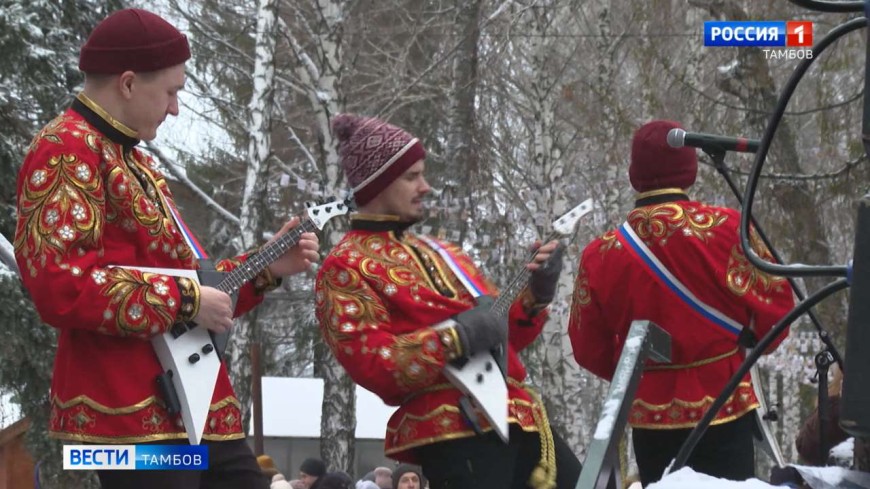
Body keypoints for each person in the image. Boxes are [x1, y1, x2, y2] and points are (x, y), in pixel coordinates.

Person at [12, 8, 319, 489]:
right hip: (127, 416)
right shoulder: (66, 148)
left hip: (192, 400)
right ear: (129, 83)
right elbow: (59, 282)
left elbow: (186, 277)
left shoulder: (134, 160)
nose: (176, 107)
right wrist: (187, 301)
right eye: (172, 92)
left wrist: (265, 268)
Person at [314, 113, 582, 489]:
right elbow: (373, 364)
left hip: (521, 417)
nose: (426, 187)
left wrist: (536, 295)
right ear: (377, 183)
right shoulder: (344, 266)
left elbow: (502, 340)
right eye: (412, 176)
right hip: (453, 427)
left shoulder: (446, 251)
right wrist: (455, 337)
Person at [567, 119, 795, 486]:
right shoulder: (726, 229)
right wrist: (742, 346)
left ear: (633, 175)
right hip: (727, 401)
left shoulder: (601, 254)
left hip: (649, 420)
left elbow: (586, 347)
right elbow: (780, 306)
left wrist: (643, 375)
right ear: (689, 170)